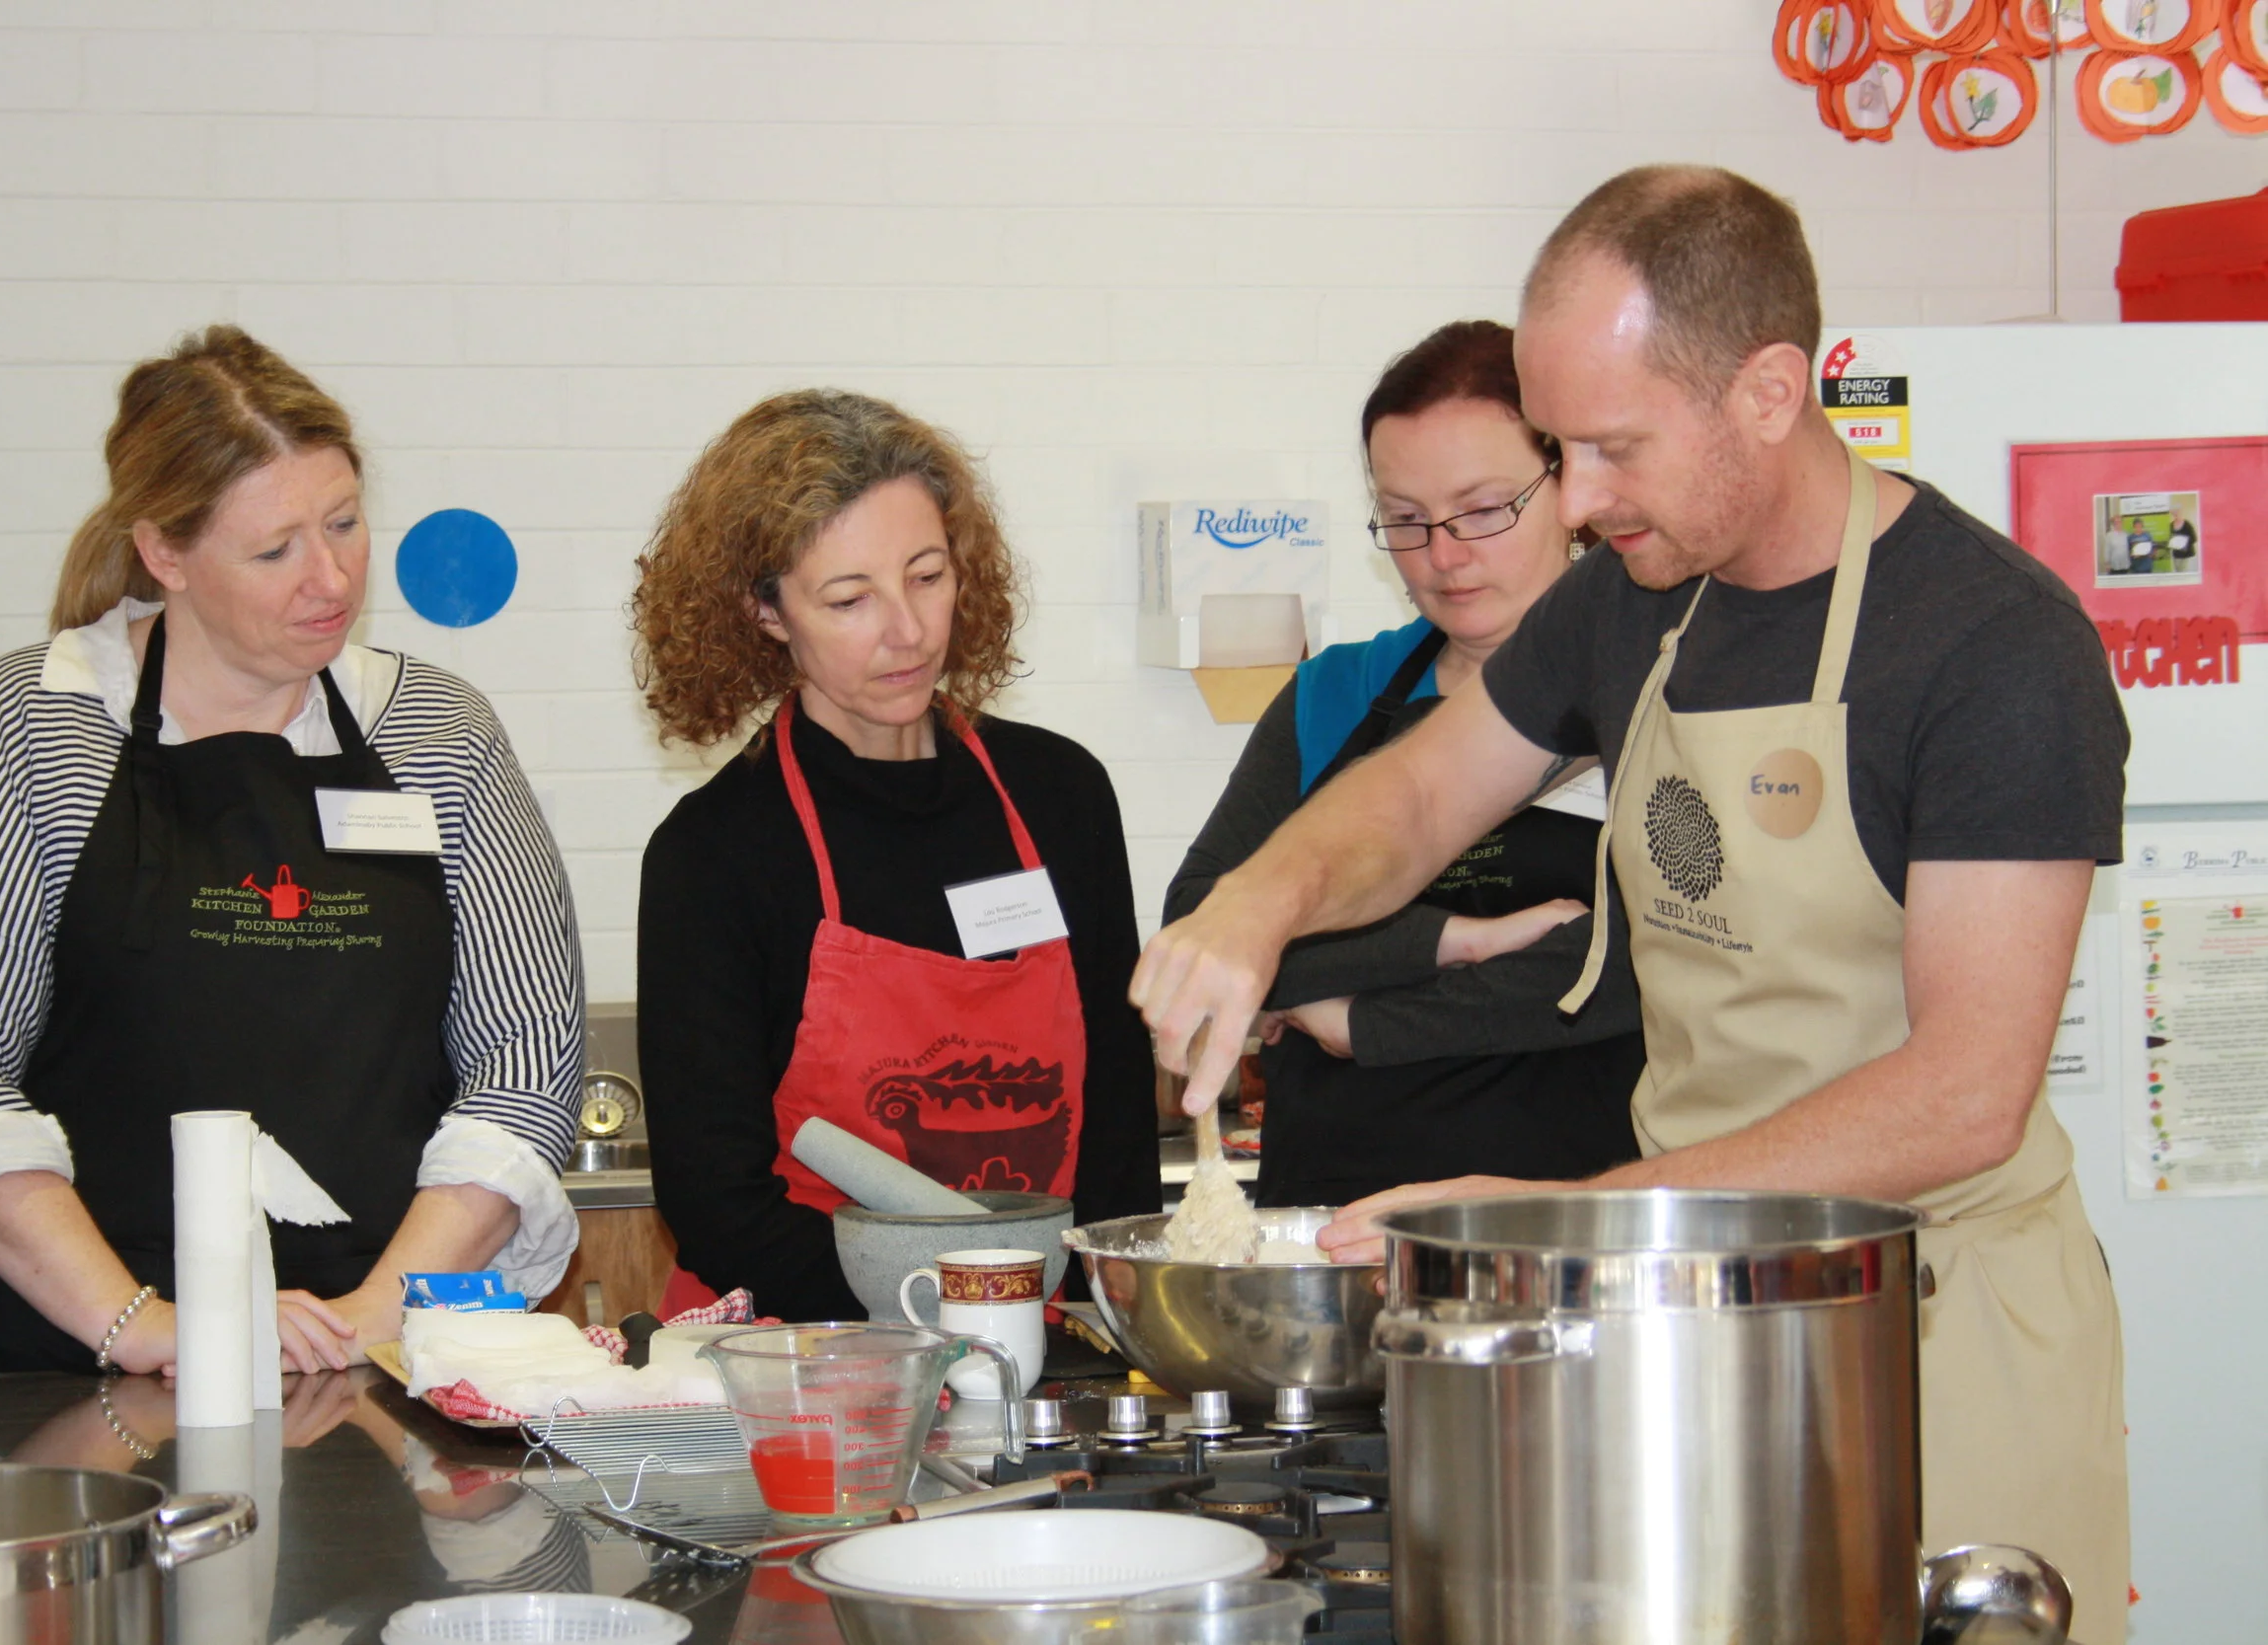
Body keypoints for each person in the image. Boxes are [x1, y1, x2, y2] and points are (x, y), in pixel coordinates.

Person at [1130, 167, 2131, 1643]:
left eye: (1612, 447)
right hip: (1688, 1317)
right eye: (1561, 448)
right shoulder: (1632, 602)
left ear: (1771, 391)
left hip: (1931, 1318)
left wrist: (1571, 1226)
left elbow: (1964, 1092)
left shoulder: (1993, 646)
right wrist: (1253, 901)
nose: (1580, 502)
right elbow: (1414, 799)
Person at [0, 327, 586, 1378]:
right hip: (75, 1371)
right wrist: (147, 1327)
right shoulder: (36, 722)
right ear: (165, 552)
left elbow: (524, 1063)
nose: (331, 576)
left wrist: (365, 1321)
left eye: (345, 523)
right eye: (275, 549)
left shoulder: (438, 731)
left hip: (379, 1354)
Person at [632, 389, 1158, 1321]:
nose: (908, 630)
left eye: (926, 575)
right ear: (765, 612)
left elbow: (1116, 1123)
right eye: (849, 598)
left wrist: (1106, 1319)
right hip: (804, 1355)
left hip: (1038, 1337)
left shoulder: (1061, 796)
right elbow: (716, 1200)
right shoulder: (716, 853)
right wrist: (946, 1307)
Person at [1164, 321, 1642, 1209]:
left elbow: (1637, 965)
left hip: (1571, 1215)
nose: (1444, 554)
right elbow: (1203, 916)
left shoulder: (1656, 695)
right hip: (1331, 1217)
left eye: (1484, 509)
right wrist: (1461, 941)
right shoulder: (1337, 693)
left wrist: (1348, 1018)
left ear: (1569, 483)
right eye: (1406, 519)